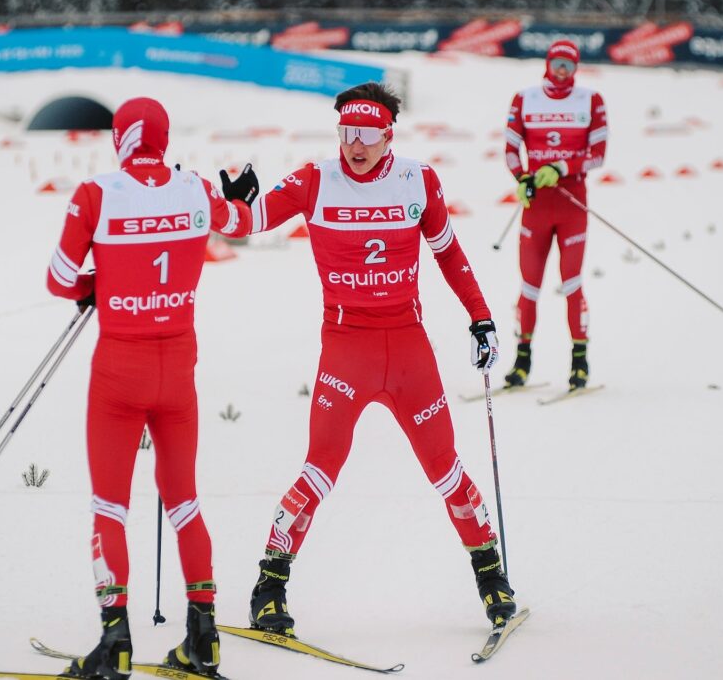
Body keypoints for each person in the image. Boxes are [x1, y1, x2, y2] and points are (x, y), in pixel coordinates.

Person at [215, 82, 517, 634]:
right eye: (346, 133)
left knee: (445, 468)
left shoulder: (419, 180)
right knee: (319, 468)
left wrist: (481, 317)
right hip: (346, 349)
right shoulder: (314, 179)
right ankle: (269, 587)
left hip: (407, 349)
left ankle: (491, 577)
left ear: (388, 136)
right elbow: (248, 223)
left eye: (367, 135)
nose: (355, 145)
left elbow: (449, 253)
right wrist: (230, 205)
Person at [46, 97, 258, 679]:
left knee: (109, 506)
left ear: (121, 137)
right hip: (178, 369)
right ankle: (204, 638)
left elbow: (60, 278)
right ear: (163, 138)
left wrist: (98, 283)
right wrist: (241, 196)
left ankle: (114, 641)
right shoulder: (195, 188)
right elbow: (241, 222)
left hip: (119, 369)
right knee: (184, 501)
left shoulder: (96, 193)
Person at [503, 39, 608, 390]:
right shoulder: (524, 98)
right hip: (536, 206)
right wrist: (522, 179)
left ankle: (580, 362)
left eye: (569, 65)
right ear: (547, 63)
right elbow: (510, 148)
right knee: (529, 285)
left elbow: (598, 155)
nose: (562, 70)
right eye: (557, 63)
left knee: (572, 282)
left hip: (572, 204)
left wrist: (561, 167)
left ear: (576, 68)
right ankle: (521, 362)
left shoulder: (591, 100)